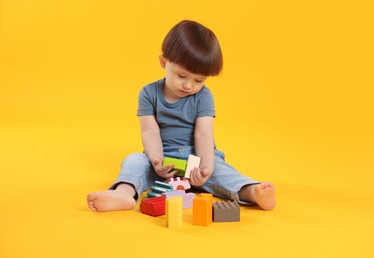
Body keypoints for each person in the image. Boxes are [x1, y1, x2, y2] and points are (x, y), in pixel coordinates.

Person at [87, 20, 275, 212]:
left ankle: (252, 191)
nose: (188, 86)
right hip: (163, 160)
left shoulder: (203, 96)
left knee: (221, 171)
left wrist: (206, 168)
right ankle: (124, 194)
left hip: (198, 158)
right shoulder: (148, 93)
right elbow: (149, 132)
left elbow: (203, 134)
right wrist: (157, 161)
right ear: (163, 62)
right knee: (134, 161)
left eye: (198, 80)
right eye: (182, 76)